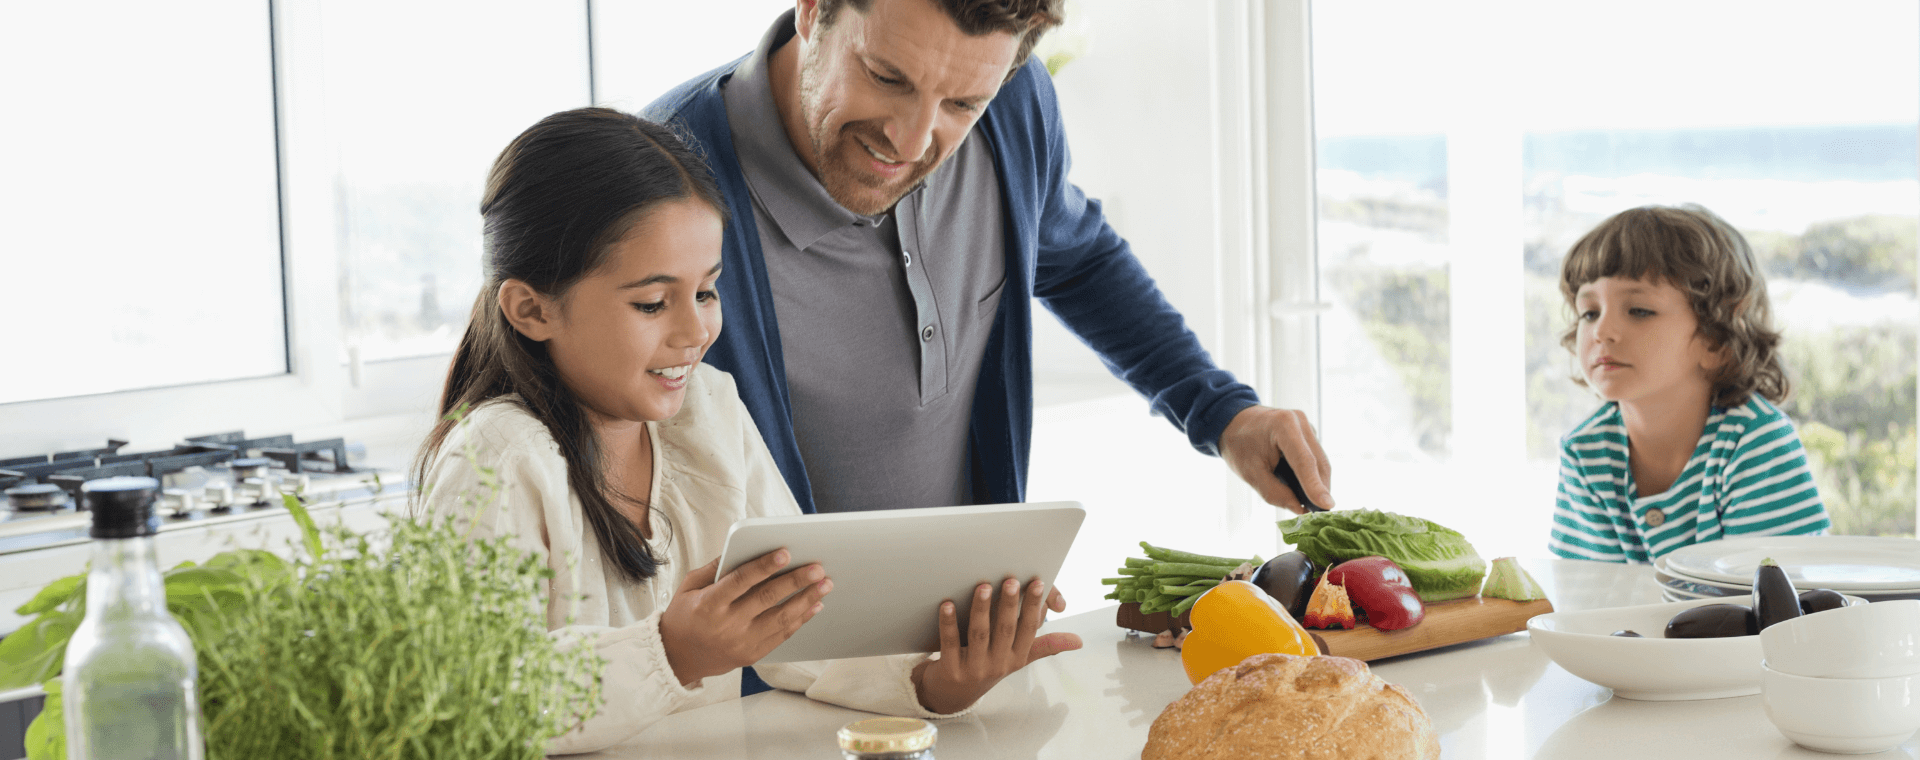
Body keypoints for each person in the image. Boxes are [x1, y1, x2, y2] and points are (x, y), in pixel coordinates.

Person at [412, 107, 1080, 754]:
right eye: (652, 302)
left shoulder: (709, 410)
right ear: (531, 309)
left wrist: (934, 680)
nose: (696, 330)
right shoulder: (497, 456)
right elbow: (472, 695)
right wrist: (674, 652)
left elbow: (798, 634)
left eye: (706, 292)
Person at [640, 0, 1336, 529]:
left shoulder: (1018, 106)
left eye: (962, 103)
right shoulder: (661, 175)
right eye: (887, 76)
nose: (909, 141)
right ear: (814, 10)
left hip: (960, 658)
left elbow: (1077, 259)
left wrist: (1220, 412)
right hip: (760, 687)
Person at [1549, 205, 1830, 564]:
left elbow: (1776, 604)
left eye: (1638, 310)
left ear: (1716, 339)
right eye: (1590, 312)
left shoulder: (1756, 443)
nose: (1602, 331)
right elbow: (1587, 601)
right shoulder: (1585, 452)